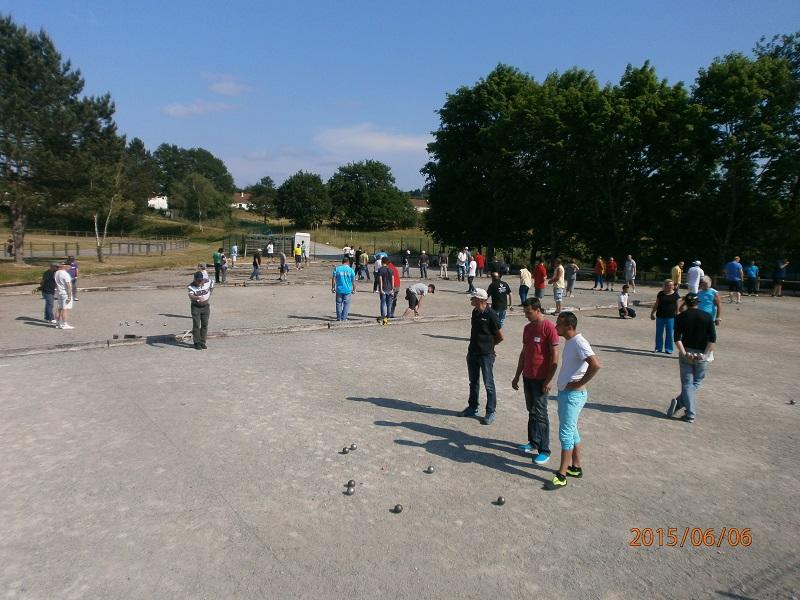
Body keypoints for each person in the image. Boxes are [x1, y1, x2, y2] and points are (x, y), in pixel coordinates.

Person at [548, 311, 601, 489]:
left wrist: (580, 382)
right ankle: (576, 467)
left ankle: (562, 475)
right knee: (572, 430)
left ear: (569, 327)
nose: (556, 327)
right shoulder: (571, 341)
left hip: (573, 396)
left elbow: (595, 364)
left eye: (559, 324)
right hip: (567, 394)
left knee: (565, 434)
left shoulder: (579, 342)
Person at [512, 297, 560, 464]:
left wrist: (549, 380)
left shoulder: (549, 327)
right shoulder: (527, 328)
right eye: (525, 312)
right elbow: (524, 353)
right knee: (531, 410)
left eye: (528, 312)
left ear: (538, 310)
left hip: (541, 379)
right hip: (528, 376)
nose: (526, 315)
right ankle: (533, 441)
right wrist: (517, 375)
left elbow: (555, 356)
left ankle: (544, 450)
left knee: (540, 414)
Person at [667, 293, 716, 423]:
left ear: (686, 303)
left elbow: (676, 338)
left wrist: (683, 352)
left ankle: (683, 405)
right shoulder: (707, 316)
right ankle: (685, 409)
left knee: (687, 383)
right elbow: (712, 339)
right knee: (697, 381)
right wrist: (705, 354)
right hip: (702, 352)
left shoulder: (681, 317)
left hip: (687, 352)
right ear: (697, 302)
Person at [459, 289, 504, 425]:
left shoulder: (491, 314)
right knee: (473, 382)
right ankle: (473, 407)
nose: (471, 300)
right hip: (472, 352)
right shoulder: (475, 312)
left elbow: (500, 337)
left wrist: (489, 346)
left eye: (473, 298)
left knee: (488, 384)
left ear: (479, 299)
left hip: (486, 355)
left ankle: (490, 411)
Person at [650, 279, 680, 354]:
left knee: (669, 333)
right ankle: (658, 348)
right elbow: (656, 304)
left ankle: (669, 349)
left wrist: (678, 315)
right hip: (660, 316)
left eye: (671, 285)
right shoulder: (660, 293)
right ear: (665, 286)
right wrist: (652, 313)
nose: (670, 286)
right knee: (659, 333)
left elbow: (677, 307)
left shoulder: (675, 295)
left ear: (673, 286)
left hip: (670, 317)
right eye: (668, 285)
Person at [187, 270, 213, 349]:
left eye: (200, 280)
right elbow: (191, 296)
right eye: (197, 280)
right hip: (196, 307)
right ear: (194, 279)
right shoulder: (191, 286)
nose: (199, 282)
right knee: (196, 325)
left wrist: (209, 293)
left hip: (205, 307)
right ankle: (196, 342)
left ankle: (203, 342)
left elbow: (212, 284)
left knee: (205, 324)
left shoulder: (207, 282)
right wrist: (197, 297)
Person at [54, 261, 74, 329]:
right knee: (65, 309)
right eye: (69, 266)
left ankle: (57, 323)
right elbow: (68, 286)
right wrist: (69, 296)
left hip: (59, 292)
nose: (70, 267)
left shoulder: (56, 272)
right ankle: (65, 324)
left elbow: (56, 284)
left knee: (59, 308)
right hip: (65, 293)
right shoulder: (65, 274)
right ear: (65, 266)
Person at [377, 257, 394, 325]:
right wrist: (392, 288)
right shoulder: (391, 269)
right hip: (390, 288)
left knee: (383, 303)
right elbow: (393, 279)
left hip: (383, 288)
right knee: (389, 304)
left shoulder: (380, 269)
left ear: (382, 262)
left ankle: (383, 316)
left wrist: (380, 289)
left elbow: (380, 280)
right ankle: (388, 315)